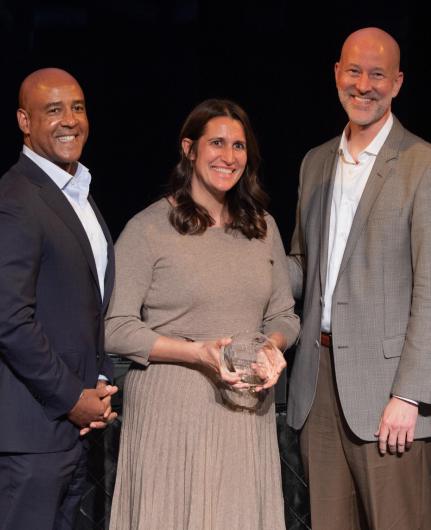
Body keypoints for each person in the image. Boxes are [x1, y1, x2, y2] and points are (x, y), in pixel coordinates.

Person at [286, 27, 431, 530]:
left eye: (377, 75)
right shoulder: (315, 162)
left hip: (389, 395)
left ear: (398, 83)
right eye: (354, 72)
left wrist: (409, 395)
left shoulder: (430, 168)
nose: (363, 85)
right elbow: (302, 264)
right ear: (336, 75)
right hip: (317, 385)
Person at [105, 99, 300, 530]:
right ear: (189, 149)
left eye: (238, 146)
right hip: (173, 409)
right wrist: (197, 353)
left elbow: (284, 315)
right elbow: (114, 326)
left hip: (245, 410)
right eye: (216, 143)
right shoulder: (149, 228)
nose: (228, 156)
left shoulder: (263, 227)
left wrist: (272, 347)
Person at [0, 68, 119, 530]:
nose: (69, 120)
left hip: (67, 430)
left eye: (77, 107)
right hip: (27, 431)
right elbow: (10, 322)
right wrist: (72, 397)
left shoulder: (75, 195)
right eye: (53, 110)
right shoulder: (13, 202)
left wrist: (98, 381)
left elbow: (83, 307)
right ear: (24, 122)